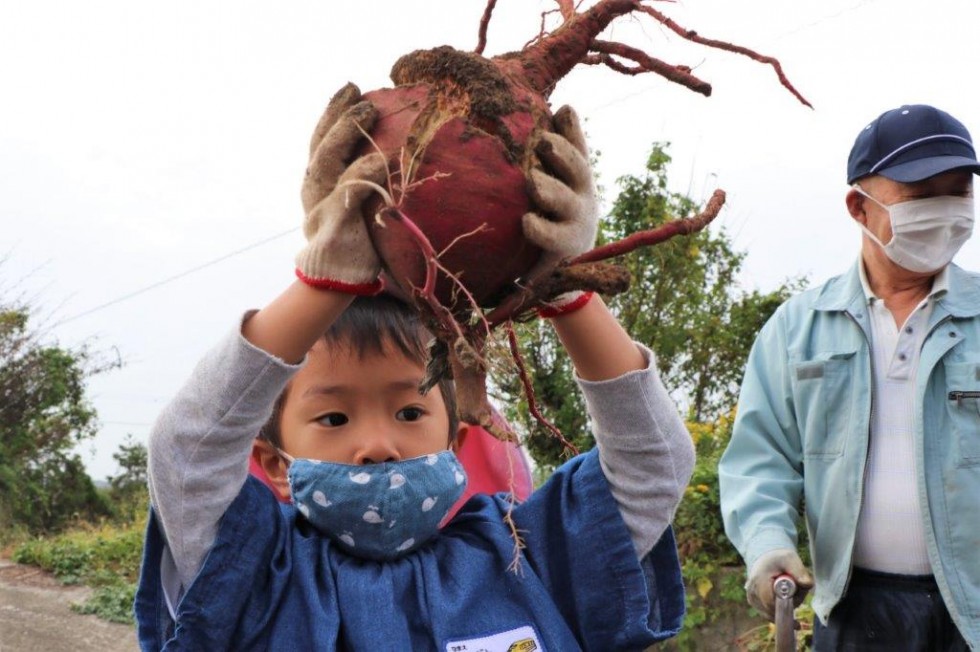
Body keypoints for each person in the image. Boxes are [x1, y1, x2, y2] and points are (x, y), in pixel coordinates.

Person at [134, 83, 695, 651]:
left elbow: (652, 465)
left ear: (453, 442)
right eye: (332, 419)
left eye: (408, 410)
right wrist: (322, 284)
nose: (378, 446)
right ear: (274, 465)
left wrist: (567, 288)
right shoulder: (255, 574)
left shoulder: (527, 555)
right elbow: (186, 454)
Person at [718, 103, 980, 651]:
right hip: (855, 611)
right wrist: (768, 545)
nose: (946, 209)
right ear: (859, 207)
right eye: (922, 191)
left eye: (958, 190)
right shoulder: (798, 329)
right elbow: (759, 459)